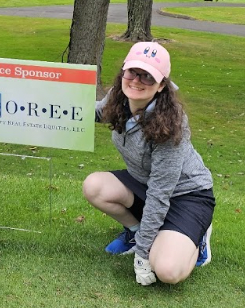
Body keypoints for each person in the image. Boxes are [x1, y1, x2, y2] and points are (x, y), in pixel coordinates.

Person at [83, 42, 215, 286]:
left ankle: (198, 237)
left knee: (167, 271)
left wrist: (143, 255)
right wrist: (52, 107)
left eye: (148, 76)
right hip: (145, 182)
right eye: (133, 72)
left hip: (187, 195)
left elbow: (160, 192)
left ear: (162, 84)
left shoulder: (170, 124)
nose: (137, 81)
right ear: (124, 71)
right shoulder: (119, 96)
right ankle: (136, 233)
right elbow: (99, 112)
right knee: (94, 185)